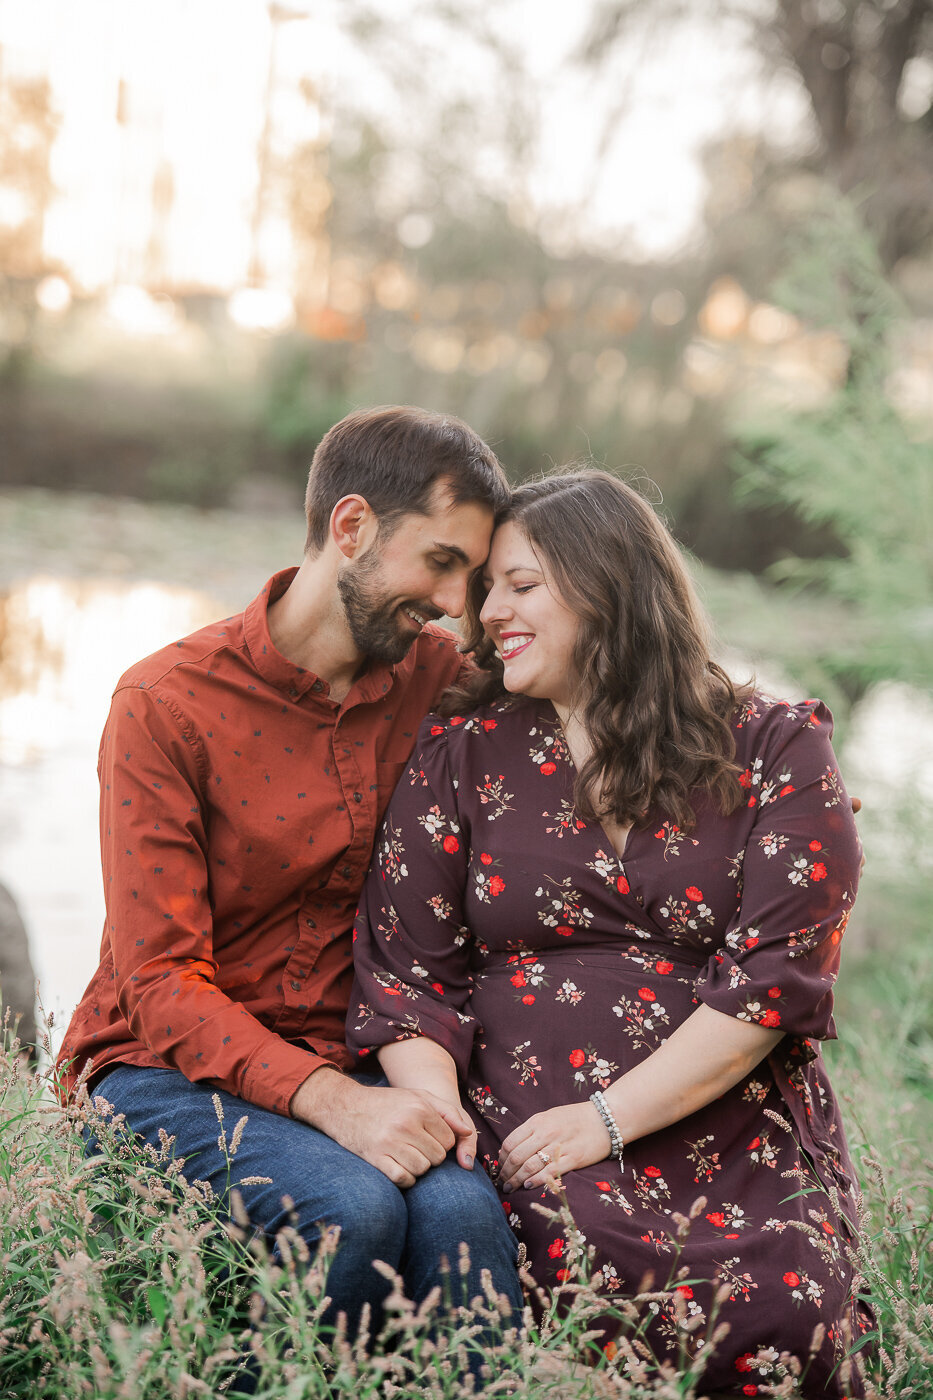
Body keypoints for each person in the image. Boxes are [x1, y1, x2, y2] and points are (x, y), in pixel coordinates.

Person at [348, 468, 872, 1398]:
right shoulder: (460, 755)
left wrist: (606, 1121)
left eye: (520, 585)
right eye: (485, 591)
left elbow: (774, 980)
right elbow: (408, 981)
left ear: (608, 583)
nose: (488, 614)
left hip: (723, 1119)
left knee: (777, 1305)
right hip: (524, 1121)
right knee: (585, 1281)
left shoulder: (776, 746)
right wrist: (442, 1121)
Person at [56, 405, 523, 1343]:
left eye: (470, 577)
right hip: (158, 1070)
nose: (453, 601)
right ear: (350, 528)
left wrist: (760, 739)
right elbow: (157, 982)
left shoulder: (441, 680)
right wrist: (338, 1104)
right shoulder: (165, 703)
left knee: (468, 1220)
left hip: (354, 1054)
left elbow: (598, 679)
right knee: (354, 1208)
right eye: (439, 563)